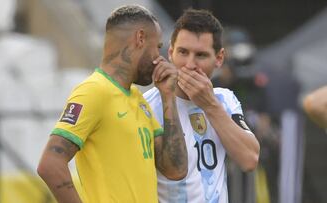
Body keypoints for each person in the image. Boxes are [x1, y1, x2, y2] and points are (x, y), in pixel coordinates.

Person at [37, 5, 187, 203]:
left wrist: (168, 97)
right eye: (157, 47)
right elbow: (50, 164)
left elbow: (175, 169)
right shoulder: (93, 91)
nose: (159, 59)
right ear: (140, 38)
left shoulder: (137, 98)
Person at [144, 9, 260, 203]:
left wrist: (210, 105)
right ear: (171, 52)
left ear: (219, 59)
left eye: (201, 55)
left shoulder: (224, 100)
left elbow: (249, 159)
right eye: (183, 52)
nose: (190, 64)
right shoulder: (147, 106)